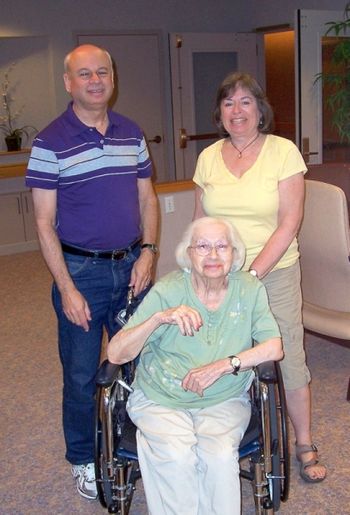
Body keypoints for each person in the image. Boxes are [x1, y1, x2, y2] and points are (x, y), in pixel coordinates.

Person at [25, 44, 158, 500]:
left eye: (103, 71)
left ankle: (135, 443)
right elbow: (43, 223)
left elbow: (148, 200)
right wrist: (67, 287)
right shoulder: (49, 142)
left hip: (132, 270)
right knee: (82, 374)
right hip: (81, 272)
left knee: (140, 364)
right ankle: (83, 458)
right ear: (69, 82)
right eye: (85, 74)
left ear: (113, 79)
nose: (96, 80)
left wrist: (149, 254)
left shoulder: (131, 132)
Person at [192, 71, 326, 483]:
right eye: (229, 102)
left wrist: (251, 275)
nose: (237, 110)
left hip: (274, 276)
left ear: (260, 109)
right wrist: (198, 274)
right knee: (218, 354)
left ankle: (303, 442)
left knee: (286, 357)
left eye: (246, 101)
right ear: (219, 112)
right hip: (220, 276)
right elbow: (201, 221)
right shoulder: (209, 157)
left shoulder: (283, 152)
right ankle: (224, 438)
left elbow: (289, 223)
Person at [107, 216, 283, 515]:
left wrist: (225, 365)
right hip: (161, 397)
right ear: (188, 254)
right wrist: (159, 318)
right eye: (202, 246)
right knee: (176, 456)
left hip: (224, 398)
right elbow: (115, 353)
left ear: (234, 253)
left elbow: (274, 347)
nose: (213, 255)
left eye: (221, 246)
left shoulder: (249, 289)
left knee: (217, 456)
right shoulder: (168, 291)